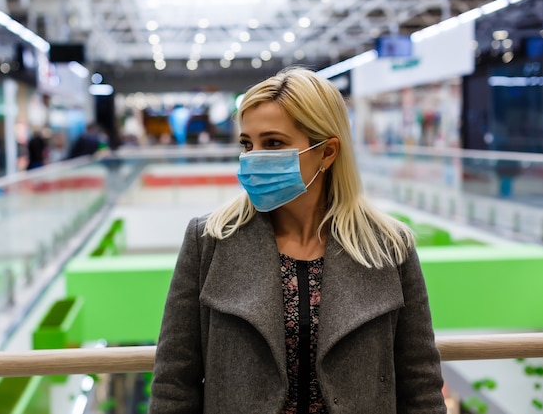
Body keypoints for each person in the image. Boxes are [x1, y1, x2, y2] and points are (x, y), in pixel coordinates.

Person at [148, 67, 446, 414]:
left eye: (273, 143)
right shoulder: (210, 241)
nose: (252, 158)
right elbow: (174, 382)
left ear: (327, 152)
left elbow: (420, 383)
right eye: (247, 144)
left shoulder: (389, 248)